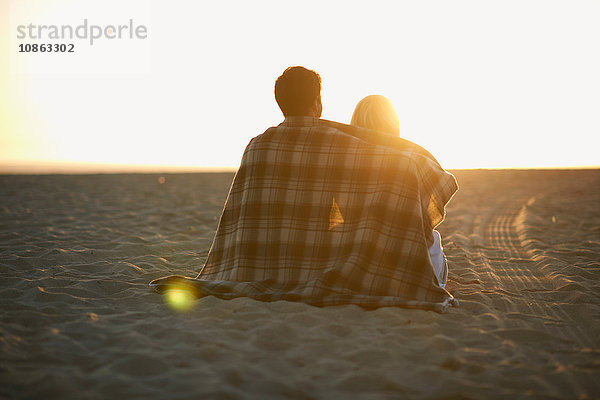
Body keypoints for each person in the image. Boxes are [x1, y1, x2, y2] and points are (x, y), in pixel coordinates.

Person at [150, 66, 458, 312]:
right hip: (318, 266)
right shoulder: (338, 143)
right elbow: (403, 164)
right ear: (318, 103)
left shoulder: (256, 146)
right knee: (430, 246)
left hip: (256, 266)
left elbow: (237, 216)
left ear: (280, 102)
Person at [350, 95, 448, 288]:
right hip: (412, 262)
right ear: (393, 122)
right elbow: (428, 217)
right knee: (431, 237)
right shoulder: (413, 160)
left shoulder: (347, 160)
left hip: (360, 258)